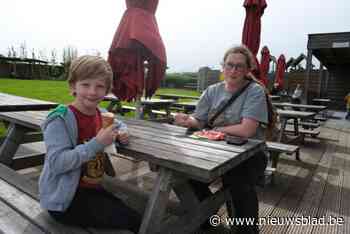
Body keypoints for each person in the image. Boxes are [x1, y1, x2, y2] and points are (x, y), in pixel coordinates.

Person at [174, 45, 273, 234]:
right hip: (213, 151)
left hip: (249, 155)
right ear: (223, 67)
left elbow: (247, 130)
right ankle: (206, 219)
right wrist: (188, 121)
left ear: (247, 70)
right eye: (229, 65)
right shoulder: (212, 91)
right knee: (184, 174)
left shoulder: (254, 91)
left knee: (237, 181)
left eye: (239, 66)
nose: (233, 70)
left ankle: (246, 231)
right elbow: (199, 120)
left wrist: (213, 130)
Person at [38, 55, 141, 233]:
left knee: (137, 214)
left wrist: (123, 132)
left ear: (107, 90)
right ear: (73, 87)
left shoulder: (101, 114)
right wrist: (97, 143)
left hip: (91, 188)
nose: (93, 92)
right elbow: (57, 163)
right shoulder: (59, 119)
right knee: (135, 222)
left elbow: (119, 124)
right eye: (86, 84)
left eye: (100, 86)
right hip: (64, 200)